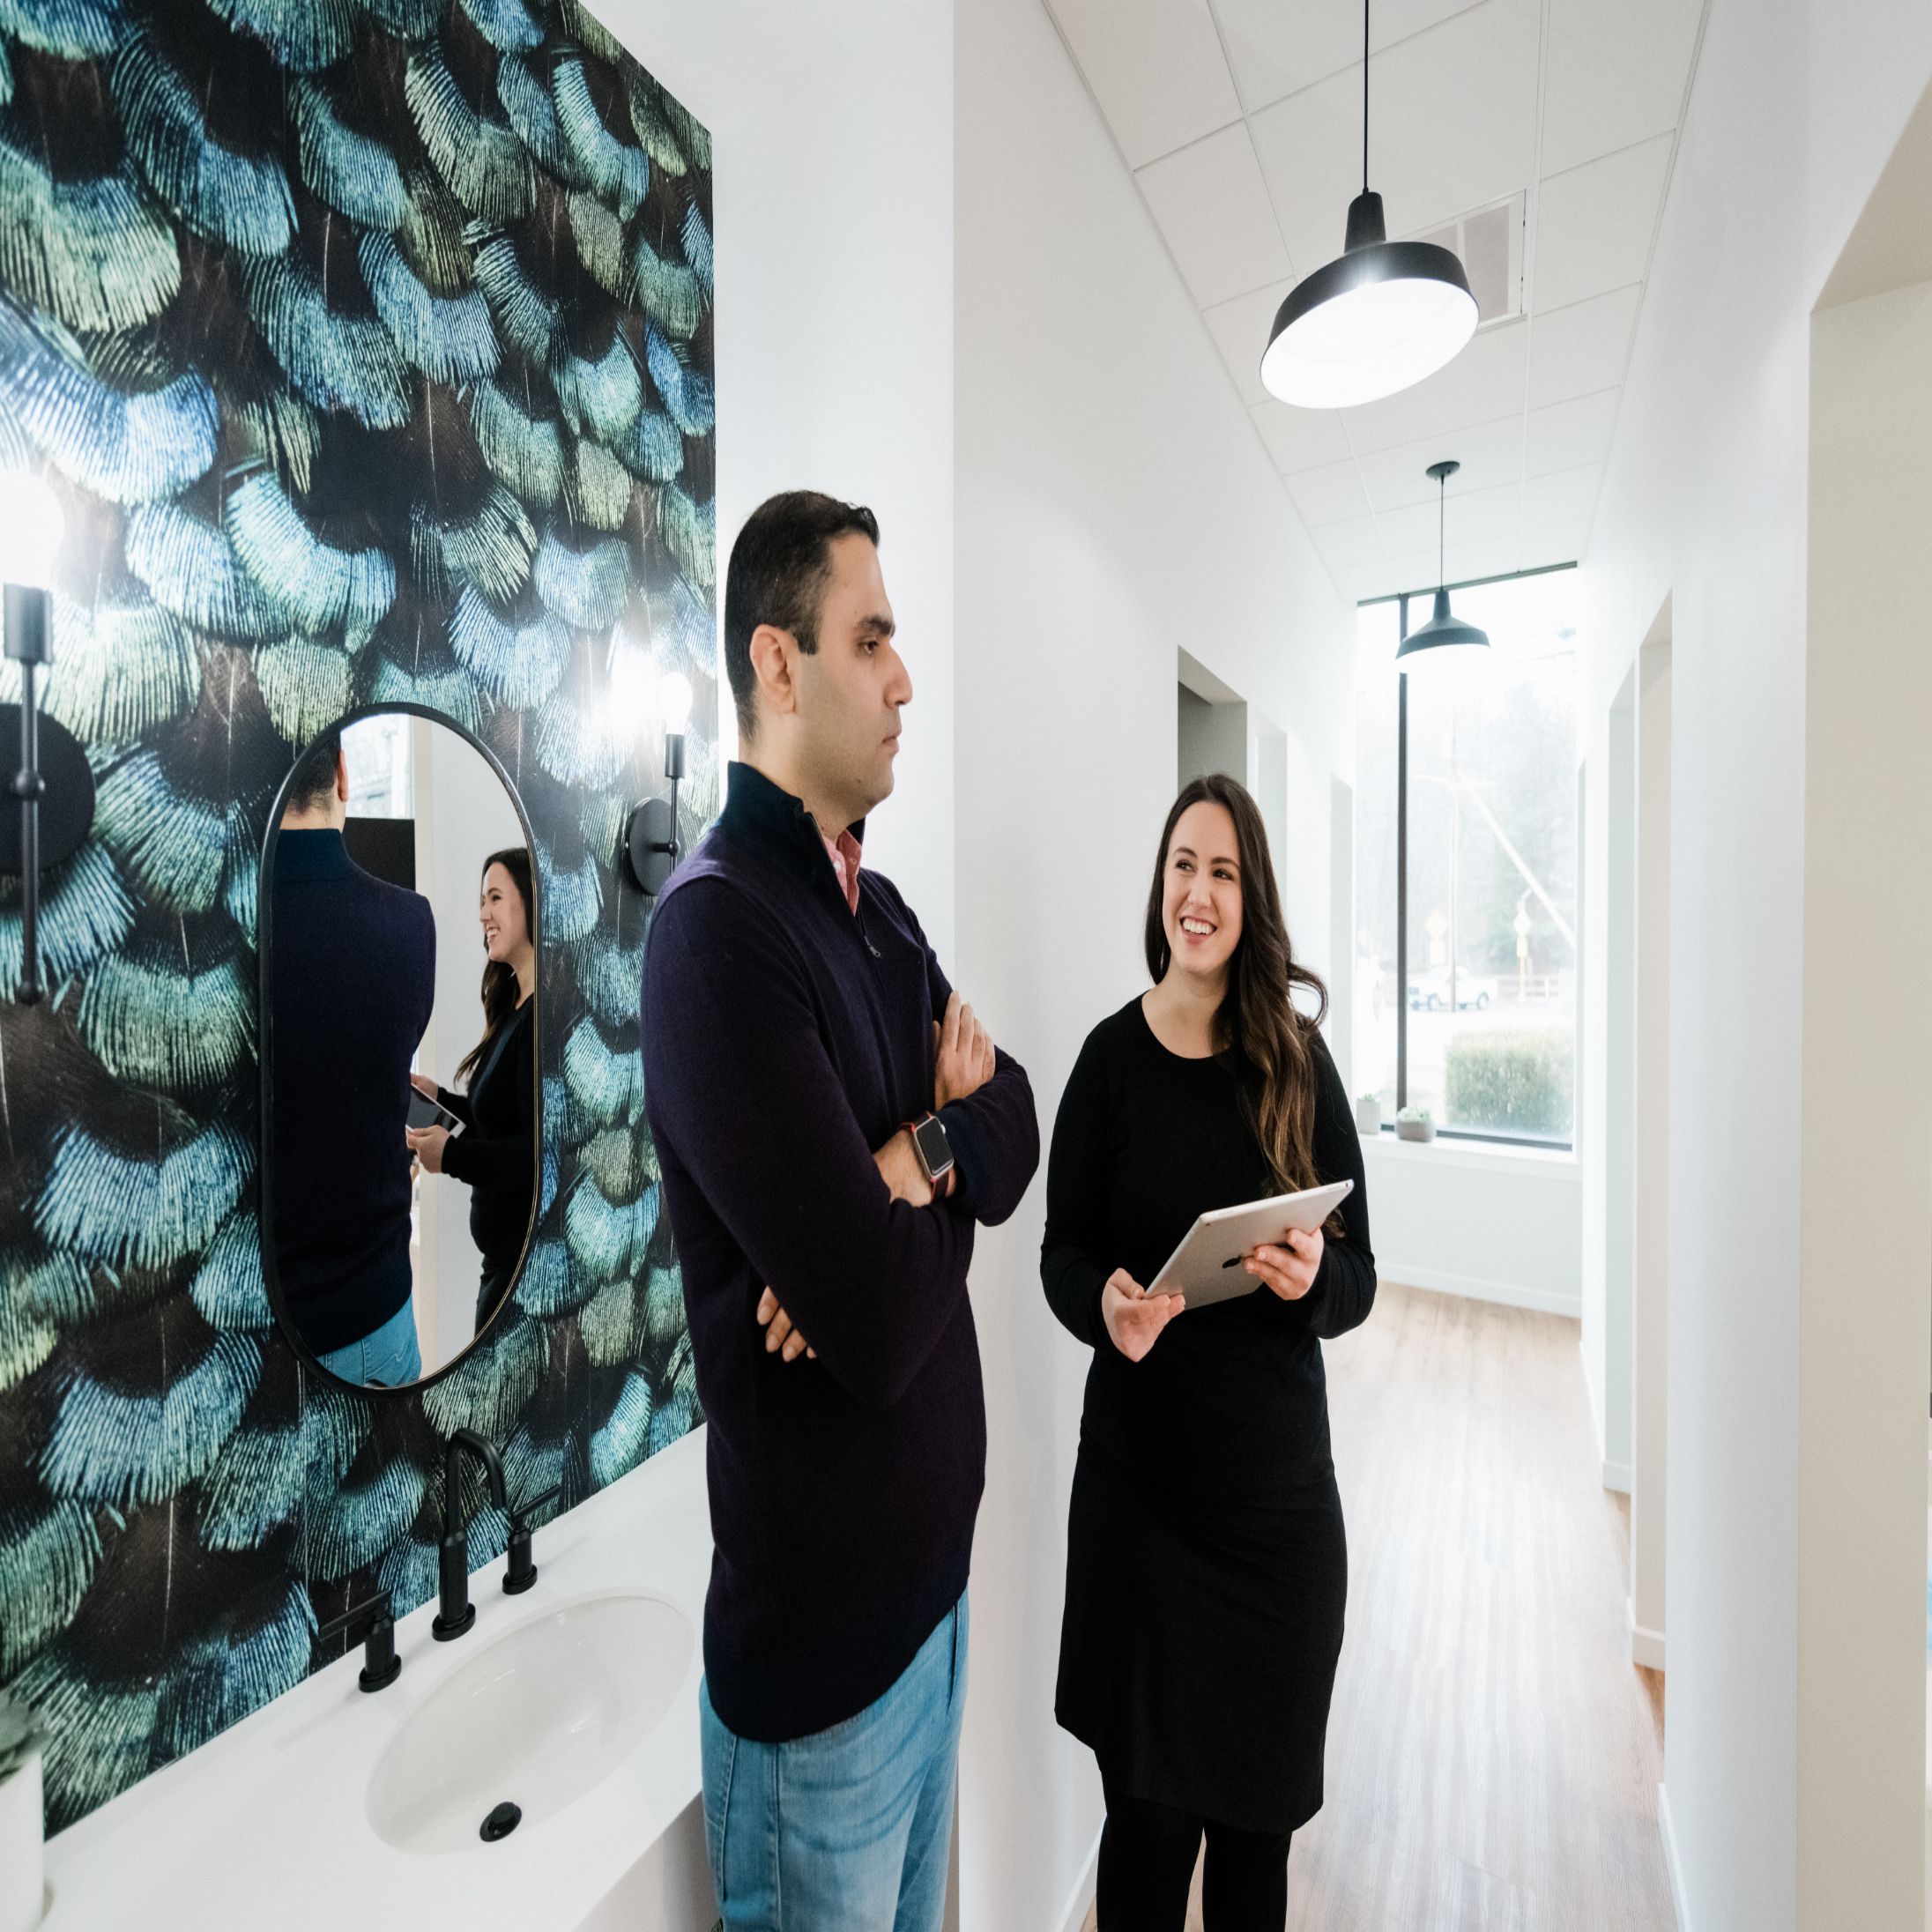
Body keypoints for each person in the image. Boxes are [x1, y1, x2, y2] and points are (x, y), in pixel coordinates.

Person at [642, 490, 1040, 1932]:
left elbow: (1020, 1114)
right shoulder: (715, 936)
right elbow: (869, 1320)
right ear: (776, 664)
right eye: (869, 638)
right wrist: (937, 1170)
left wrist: (908, 1154)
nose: (903, 679)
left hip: (933, 1618)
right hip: (817, 1694)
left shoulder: (878, 918)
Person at [1041, 773, 1376, 1932]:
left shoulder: (1295, 1064)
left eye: (1224, 871)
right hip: (1142, 1523)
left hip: (1276, 1527)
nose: (1199, 890)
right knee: (1142, 1845)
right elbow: (1061, 1253)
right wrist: (1108, 1308)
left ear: (1252, 898)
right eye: (1184, 863)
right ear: (1160, 886)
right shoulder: (1107, 1064)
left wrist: (1313, 1279)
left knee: (1252, 1854)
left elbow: (1361, 1279)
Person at [268, 730, 435, 1387]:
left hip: (262, 1329)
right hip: (378, 1311)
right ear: (343, 772)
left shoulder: (236, 928)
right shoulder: (410, 922)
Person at [407, 847, 538, 1334]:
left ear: (531, 903)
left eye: (496, 898)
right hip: (499, 1267)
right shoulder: (513, 1006)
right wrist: (439, 1095)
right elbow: (497, 1116)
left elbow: (532, 1153)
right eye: (481, 900)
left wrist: (454, 1158)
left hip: (518, 1275)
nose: (483, 913)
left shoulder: (541, 1019)